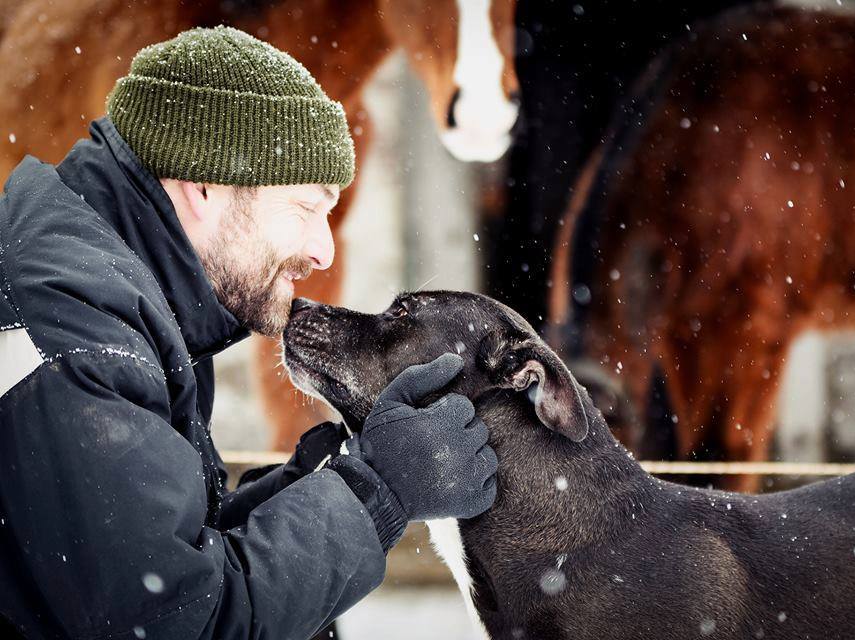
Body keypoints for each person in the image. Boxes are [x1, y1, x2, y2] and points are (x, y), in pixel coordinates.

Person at [0, 26, 497, 639]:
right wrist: (379, 493)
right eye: (304, 207)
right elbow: (171, 622)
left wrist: (308, 487)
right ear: (204, 187)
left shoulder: (127, 294)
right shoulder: (79, 327)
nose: (323, 249)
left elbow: (133, 563)